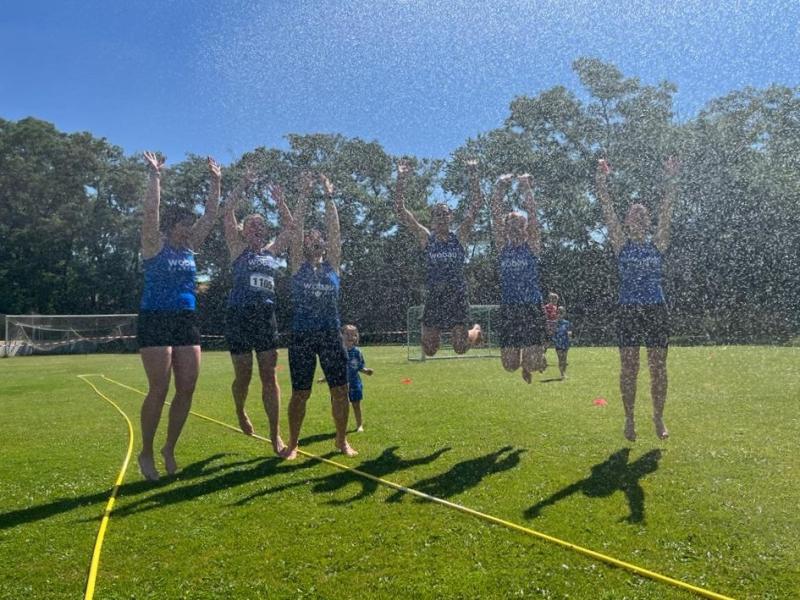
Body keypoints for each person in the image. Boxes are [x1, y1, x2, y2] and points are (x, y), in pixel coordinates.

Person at [136, 152, 220, 481]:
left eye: (189, 226)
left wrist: (215, 181)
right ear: (172, 227)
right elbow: (150, 212)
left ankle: (169, 448)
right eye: (184, 226)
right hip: (155, 318)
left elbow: (210, 216)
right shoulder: (153, 245)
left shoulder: (190, 248)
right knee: (160, 388)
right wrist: (155, 176)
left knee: (187, 387)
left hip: (186, 319)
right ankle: (146, 451)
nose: (189, 230)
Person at [595, 156, 679, 441]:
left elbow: (667, 209)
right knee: (629, 366)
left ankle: (658, 416)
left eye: (643, 215)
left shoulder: (658, 243)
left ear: (648, 221)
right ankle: (629, 418)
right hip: (628, 309)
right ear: (628, 221)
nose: (639, 218)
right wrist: (601, 180)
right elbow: (607, 209)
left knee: (658, 367)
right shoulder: (621, 244)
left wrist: (671, 178)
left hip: (655, 308)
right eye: (634, 214)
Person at [281, 173, 357, 460]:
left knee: (340, 390)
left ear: (325, 245)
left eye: (318, 238)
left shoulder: (332, 266)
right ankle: (293, 443)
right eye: (309, 238)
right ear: (304, 244)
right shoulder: (297, 265)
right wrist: (303, 194)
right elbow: (296, 227)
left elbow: (335, 232)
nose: (314, 241)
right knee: (301, 393)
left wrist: (328, 196)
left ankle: (341, 440)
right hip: (302, 336)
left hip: (329, 334)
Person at [223, 165, 295, 454]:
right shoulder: (237, 249)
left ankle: (275, 435)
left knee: (269, 375)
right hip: (239, 317)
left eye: (261, 226)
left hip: (266, 317)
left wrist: (281, 202)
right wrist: (243, 183)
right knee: (244, 376)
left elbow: (291, 229)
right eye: (251, 225)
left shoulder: (270, 252)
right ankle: (240, 409)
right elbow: (227, 212)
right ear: (243, 231)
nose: (257, 229)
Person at [393, 158, 483, 357]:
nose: (442, 217)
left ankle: (475, 330)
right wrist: (401, 178)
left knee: (460, 348)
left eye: (445, 214)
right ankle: (432, 332)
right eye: (438, 215)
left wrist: (473, 174)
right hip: (435, 295)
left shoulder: (459, 237)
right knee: (430, 350)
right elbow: (400, 210)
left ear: (451, 217)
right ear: (432, 219)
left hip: (457, 295)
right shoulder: (427, 238)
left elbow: (476, 205)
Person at [488, 172, 548, 383]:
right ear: (506, 230)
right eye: (510, 226)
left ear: (525, 229)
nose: (514, 229)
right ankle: (528, 359)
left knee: (532, 364)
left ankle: (533, 360)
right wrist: (499, 187)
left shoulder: (532, 247)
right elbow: (495, 214)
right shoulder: (502, 248)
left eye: (518, 226)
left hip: (531, 307)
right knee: (509, 365)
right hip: (509, 308)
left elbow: (533, 213)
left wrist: (525, 186)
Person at [342, 324, 374, 432]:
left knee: (356, 405)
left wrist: (366, 371)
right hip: (341, 384)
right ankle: (342, 426)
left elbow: (359, 367)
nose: (350, 337)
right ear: (341, 335)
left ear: (356, 337)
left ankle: (359, 425)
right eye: (347, 334)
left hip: (355, 383)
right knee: (342, 406)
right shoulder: (338, 351)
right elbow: (334, 369)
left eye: (353, 335)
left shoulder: (357, 352)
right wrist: (326, 378)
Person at [553, 306, 572, 380]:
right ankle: (562, 374)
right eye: (558, 312)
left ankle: (564, 373)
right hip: (558, 343)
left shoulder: (567, 323)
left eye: (561, 312)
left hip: (565, 342)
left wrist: (569, 335)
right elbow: (553, 333)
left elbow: (569, 331)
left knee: (564, 359)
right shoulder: (555, 323)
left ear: (564, 313)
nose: (560, 314)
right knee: (560, 359)